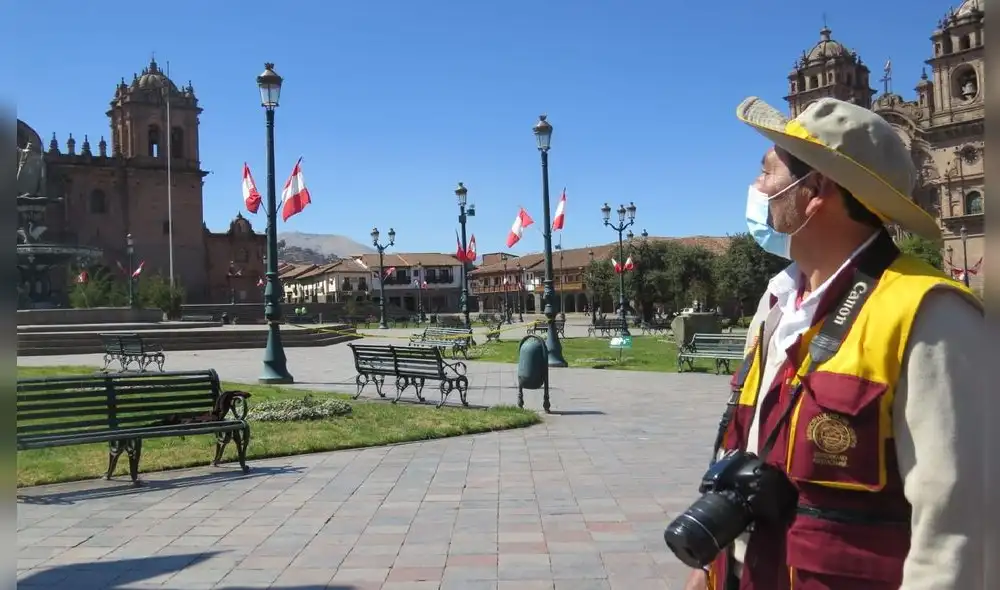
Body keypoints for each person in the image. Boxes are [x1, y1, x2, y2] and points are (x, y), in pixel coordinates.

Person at [680, 97, 985, 590]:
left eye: (766, 173)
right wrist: (713, 565)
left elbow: (957, 524)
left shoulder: (932, 314)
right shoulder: (777, 300)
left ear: (815, 189)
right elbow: (755, 444)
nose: (757, 190)